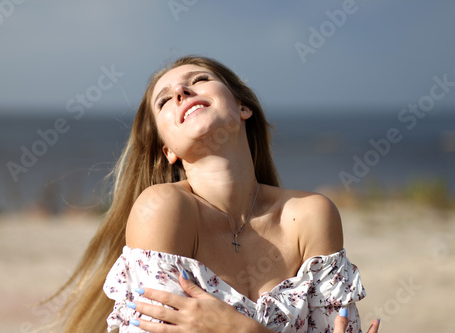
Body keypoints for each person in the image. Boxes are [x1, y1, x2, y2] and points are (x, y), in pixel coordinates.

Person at [53, 56, 378, 333]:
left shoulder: (310, 215)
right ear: (168, 150)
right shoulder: (163, 211)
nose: (181, 92)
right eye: (164, 100)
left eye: (200, 79)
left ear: (242, 108)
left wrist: (243, 329)